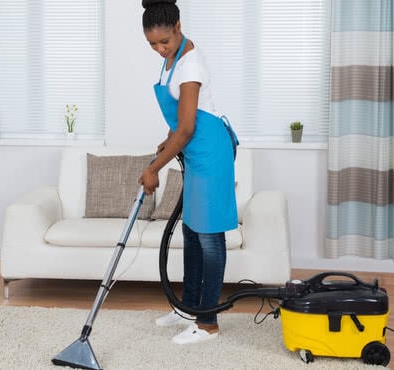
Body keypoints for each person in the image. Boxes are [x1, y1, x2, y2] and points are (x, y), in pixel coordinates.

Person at [138, 0, 239, 345]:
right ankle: (187, 308)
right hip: (196, 154)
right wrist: (167, 142)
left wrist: (155, 167)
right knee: (193, 233)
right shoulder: (171, 59)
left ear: (178, 26)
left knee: (210, 238)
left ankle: (208, 323)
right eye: (152, 43)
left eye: (163, 41)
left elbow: (187, 128)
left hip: (211, 154)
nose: (159, 48)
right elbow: (180, 121)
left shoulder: (190, 64)